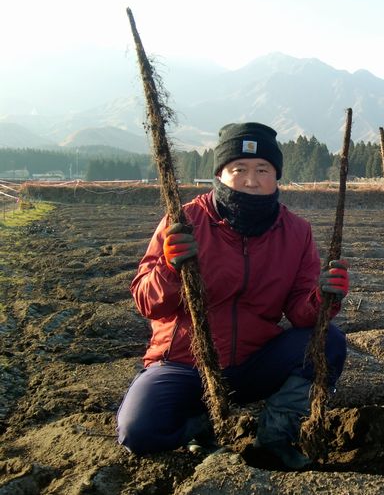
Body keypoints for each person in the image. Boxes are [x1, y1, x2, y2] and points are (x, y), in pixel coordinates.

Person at [117, 122, 349, 470]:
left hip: (254, 362)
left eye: (263, 170)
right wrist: (170, 268)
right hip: (184, 365)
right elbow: (145, 301)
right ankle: (202, 423)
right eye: (238, 169)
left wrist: (323, 299)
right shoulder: (184, 221)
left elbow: (301, 314)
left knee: (328, 341)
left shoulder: (296, 231)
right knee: (139, 431)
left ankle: (275, 437)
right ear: (220, 174)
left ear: (277, 177)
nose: (251, 180)